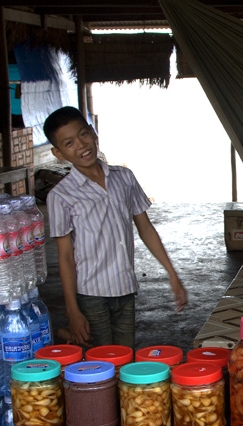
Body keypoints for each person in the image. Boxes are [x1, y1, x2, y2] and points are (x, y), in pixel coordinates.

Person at [45, 106, 187, 348]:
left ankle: (71, 337)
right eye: (69, 143)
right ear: (59, 153)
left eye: (83, 134)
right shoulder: (61, 196)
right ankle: (70, 333)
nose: (81, 145)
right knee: (102, 362)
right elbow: (66, 257)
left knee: (124, 356)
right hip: (91, 292)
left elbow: (146, 229)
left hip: (125, 288)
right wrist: (72, 310)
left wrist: (172, 274)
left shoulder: (124, 178)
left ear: (93, 131)